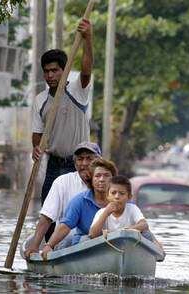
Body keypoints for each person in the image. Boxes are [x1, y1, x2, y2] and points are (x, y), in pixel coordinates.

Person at [31, 18, 93, 207]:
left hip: (79, 164)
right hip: (54, 164)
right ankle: (48, 238)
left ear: (64, 70)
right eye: (47, 71)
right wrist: (36, 148)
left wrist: (87, 38)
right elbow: (37, 135)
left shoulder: (77, 90)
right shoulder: (40, 100)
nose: (50, 76)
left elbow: (86, 71)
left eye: (55, 71)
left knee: (75, 209)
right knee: (48, 210)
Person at [23, 142, 101, 259]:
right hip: (66, 244)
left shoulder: (109, 184)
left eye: (89, 158)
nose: (84, 163)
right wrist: (35, 246)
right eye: (80, 159)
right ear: (74, 163)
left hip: (100, 243)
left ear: (99, 162)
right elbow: (47, 217)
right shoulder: (63, 182)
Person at [40, 158, 118, 259]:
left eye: (106, 175)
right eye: (98, 176)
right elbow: (65, 226)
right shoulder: (79, 201)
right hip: (84, 245)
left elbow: (138, 222)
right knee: (86, 240)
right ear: (91, 179)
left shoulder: (120, 200)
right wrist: (49, 245)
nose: (102, 179)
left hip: (113, 244)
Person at [88, 175, 164, 251]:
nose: (117, 197)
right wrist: (106, 213)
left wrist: (123, 231)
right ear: (107, 196)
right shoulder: (101, 212)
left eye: (122, 193)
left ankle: (157, 249)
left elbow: (144, 225)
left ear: (129, 197)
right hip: (109, 246)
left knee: (146, 234)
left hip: (131, 245)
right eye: (113, 193)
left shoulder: (132, 208)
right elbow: (92, 235)